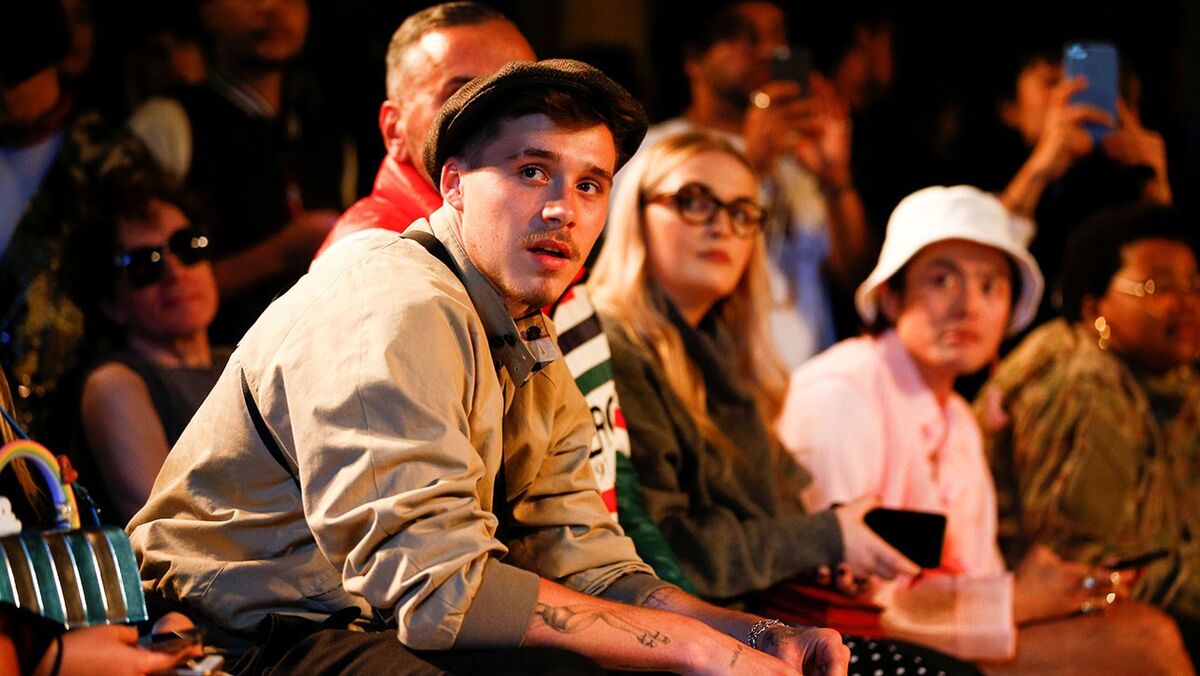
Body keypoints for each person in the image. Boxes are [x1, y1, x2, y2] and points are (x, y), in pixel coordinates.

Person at [128, 59, 848, 674]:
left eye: (590, 185)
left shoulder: (526, 332)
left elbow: (586, 559)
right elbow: (435, 587)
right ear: (453, 184)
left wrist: (756, 637)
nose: (564, 209)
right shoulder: (396, 302)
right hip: (235, 635)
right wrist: (697, 650)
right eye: (532, 171)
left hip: (356, 619)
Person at [777, 185, 1191, 671]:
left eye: (990, 286)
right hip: (843, 650)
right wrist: (1014, 600)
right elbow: (835, 598)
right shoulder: (842, 392)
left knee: (1134, 626)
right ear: (890, 297)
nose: (968, 306)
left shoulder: (958, 417)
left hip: (924, 637)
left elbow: (977, 571)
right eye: (942, 280)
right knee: (1143, 642)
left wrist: (1049, 589)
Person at [980, 203, 1200, 663]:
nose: (1186, 304)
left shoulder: (1173, 381)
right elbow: (1080, 560)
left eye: (1193, 285)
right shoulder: (1081, 384)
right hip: (1032, 624)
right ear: (1093, 306)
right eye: (1158, 286)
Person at [634, 0, 871, 366]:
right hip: (712, 375)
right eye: (740, 35)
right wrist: (751, 164)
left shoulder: (797, 155)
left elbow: (855, 275)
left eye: (777, 35)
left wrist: (835, 180)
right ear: (693, 58)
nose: (765, 50)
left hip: (809, 378)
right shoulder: (656, 151)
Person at [130, 0, 347, 344]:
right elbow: (142, 285)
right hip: (217, 360)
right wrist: (278, 255)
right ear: (207, 11)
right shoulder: (171, 122)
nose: (271, 7)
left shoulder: (325, 130)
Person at [73, 169, 228, 524]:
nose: (175, 271)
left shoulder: (239, 358)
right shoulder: (114, 384)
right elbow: (170, 531)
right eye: (145, 264)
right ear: (111, 301)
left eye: (187, 245)